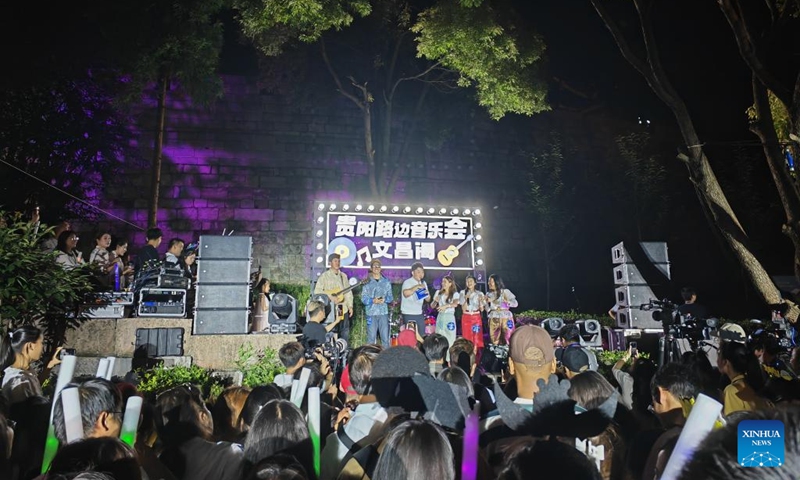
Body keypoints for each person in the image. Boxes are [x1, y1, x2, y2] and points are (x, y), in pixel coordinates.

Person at [1, 326, 63, 405]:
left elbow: (34, 386)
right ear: (30, 346)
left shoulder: (24, 371)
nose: (42, 347)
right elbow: (28, 413)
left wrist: (50, 365)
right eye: (42, 343)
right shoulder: (19, 380)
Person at [717, 341, 771, 415]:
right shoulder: (749, 384)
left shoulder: (732, 391)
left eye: (719, 355)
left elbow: (735, 424)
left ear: (725, 362)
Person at [314, 253, 354, 342]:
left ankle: (344, 349)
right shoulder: (324, 276)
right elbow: (317, 291)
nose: (337, 263)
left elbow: (348, 292)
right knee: (331, 331)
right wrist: (329, 297)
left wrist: (350, 306)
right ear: (330, 262)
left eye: (339, 261)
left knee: (344, 330)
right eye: (335, 261)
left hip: (341, 307)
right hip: (330, 309)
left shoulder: (343, 276)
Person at [360, 259, 393, 347]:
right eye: (374, 266)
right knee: (371, 338)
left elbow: (390, 297)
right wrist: (372, 300)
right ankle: (371, 358)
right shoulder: (367, 282)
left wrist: (385, 299)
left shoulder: (386, 282)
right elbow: (363, 298)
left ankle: (386, 358)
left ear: (380, 268)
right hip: (371, 313)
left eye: (378, 266)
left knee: (385, 338)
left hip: (383, 312)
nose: (376, 268)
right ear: (371, 268)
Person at [485, 274, 518, 345]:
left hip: (506, 317)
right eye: (488, 281)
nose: (489, 283)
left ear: (497, 282)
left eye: (491, 281)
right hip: (494, 317)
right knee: (494, 338)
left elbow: (515, 303)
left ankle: (509, 353)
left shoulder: (505, 292)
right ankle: (496, 353)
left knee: (508, 337)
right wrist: (485, 303)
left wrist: (507, 303)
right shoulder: (488, 294)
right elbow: (487, 309)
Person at [432, 275, 459, 352]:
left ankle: (449, 358)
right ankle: (439, 357)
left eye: (445, 282)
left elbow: (455, 304)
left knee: (450, 337)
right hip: (440, 316)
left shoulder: (455, 293)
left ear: (450, 283)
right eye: (442, 282)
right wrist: (435, 301)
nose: (443, 283)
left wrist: (446, 306)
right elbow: (432, 306)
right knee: (439, 336)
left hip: (449, 317)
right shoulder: (438, 293)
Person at [401, 262, 430, 331]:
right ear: (413, 273)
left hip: (419, 313)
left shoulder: (423, 283)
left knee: (421, 334)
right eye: (418, 272)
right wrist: (416, 287)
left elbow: (428, 300)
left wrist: (427, 293)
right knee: (411, 335)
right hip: (408, 313)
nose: (421, 274)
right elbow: (406, 294)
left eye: (422, 272)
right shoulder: (407, 282)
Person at [459, 275, 485, 351]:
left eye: (471, 281)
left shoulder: (479, 293)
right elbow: (463, 309)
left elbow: (482, 309)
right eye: (467, 281)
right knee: (467, 336)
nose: (469, 283)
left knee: (476, 336)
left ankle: (475, 354)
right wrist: (466, 298)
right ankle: (468, 354)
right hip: (466, 316)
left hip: (476, 317)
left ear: (475, 283)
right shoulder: (462, 292)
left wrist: (480, 301)